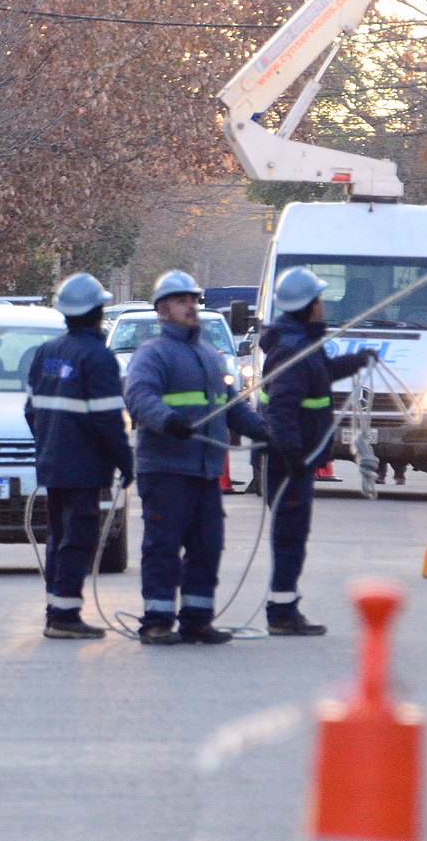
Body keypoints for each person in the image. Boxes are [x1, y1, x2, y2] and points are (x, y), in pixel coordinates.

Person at [125, 270, 271, 645]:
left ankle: (197, 619)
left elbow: (230, 407)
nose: (190, 307)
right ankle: (156, 621)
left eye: (193, 300)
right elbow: (140, 397)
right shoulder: (151, 355)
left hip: (204, 471)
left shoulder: (209, 356)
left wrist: (263, 432)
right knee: (163, 547)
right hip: (166, 469)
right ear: (162, 310)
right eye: (181, 301)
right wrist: (167, 421)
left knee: (208, 545)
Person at [258, 267, 378, 636]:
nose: (323, 306)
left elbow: (319, 374)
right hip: (287, 462)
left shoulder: (301, 345)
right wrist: (293, 454)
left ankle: (284, 607)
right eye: (319, 300)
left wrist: (356, 361)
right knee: (290, 537)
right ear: (309, 306)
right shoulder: (293, 350)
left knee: (291, 535)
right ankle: (282, 612)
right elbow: (283, 407)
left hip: (295, 459)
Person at [24, 272, 134, 640]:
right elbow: (108, 420)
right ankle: (65, 616)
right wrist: (126, 461)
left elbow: (31, 411)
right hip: (85, 467)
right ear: (98, 311)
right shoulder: (98, 358)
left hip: (54, 465)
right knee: (78, 537)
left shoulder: (47, 353)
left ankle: (57, 610)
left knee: (59, 536)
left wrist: (49, 444)